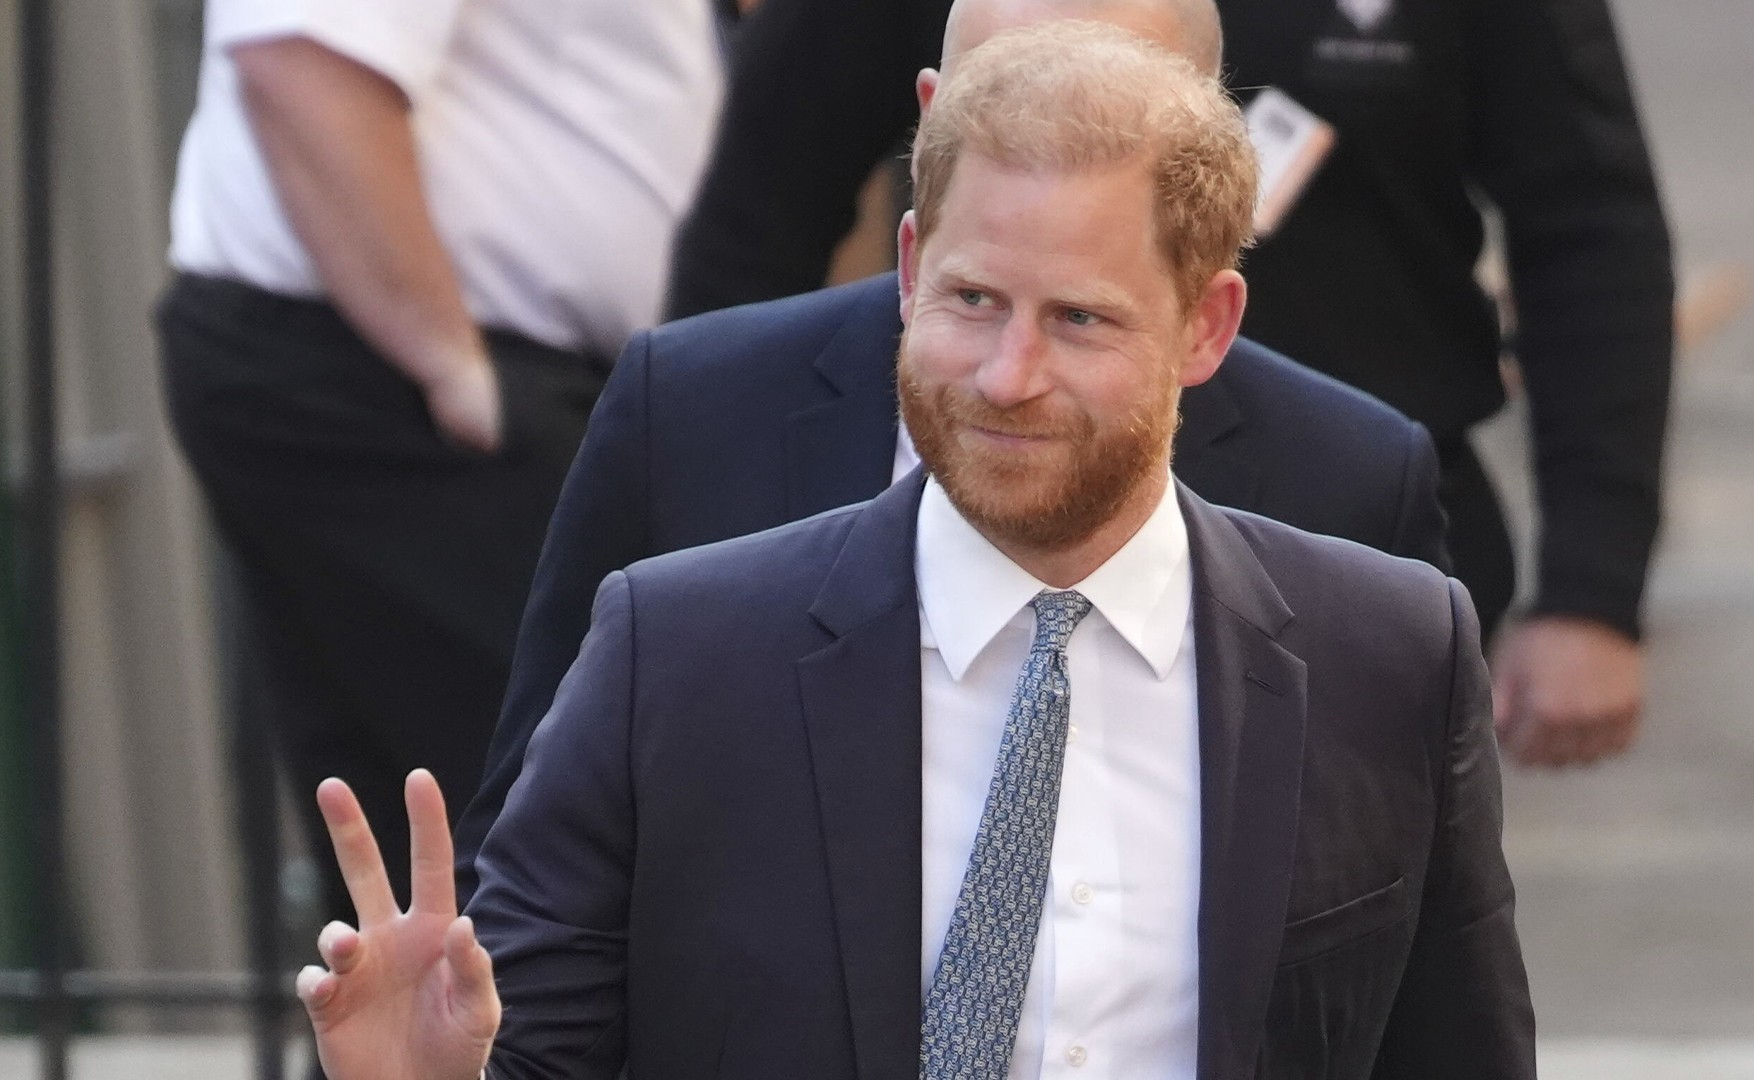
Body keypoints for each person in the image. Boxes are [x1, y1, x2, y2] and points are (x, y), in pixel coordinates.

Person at [298, 24, 1534, 1078]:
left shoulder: (1388, 654)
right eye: (974, 301)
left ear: (1205, 326)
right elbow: (537, 1048)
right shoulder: (675, 655)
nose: (1009, 376)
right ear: (906, 270)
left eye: (1081, 320)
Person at [449, 0, 1453, 905]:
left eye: (1122, 111)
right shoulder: (692, 412)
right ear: (931, 117)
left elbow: (1403, 940)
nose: (1053, 147)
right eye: (1004, 102)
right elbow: (536, 857)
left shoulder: (1347, 477)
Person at [669, 0, 1674, 771]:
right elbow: (755, 222)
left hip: (1354, 524)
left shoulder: (1366, 505)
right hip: (969, 521)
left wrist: (1593, 585)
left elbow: (1588, 227)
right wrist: (718, 553)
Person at [156, 0, 727, 932]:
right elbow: (302, 57)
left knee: (427, 910)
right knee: (569, 853)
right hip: (406, 389)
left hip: (429, 386)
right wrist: (455, 369)